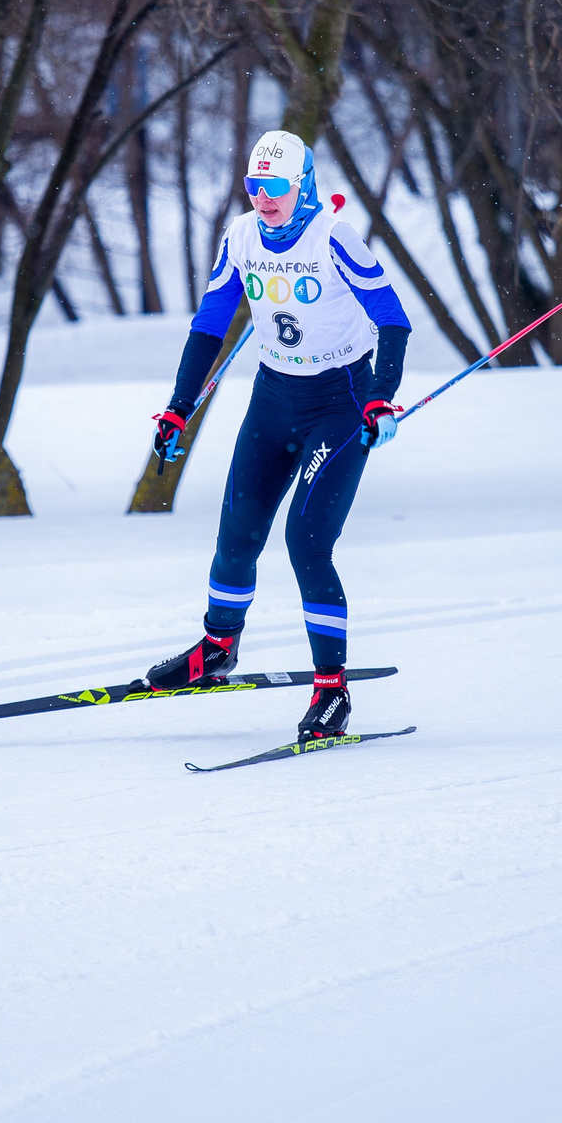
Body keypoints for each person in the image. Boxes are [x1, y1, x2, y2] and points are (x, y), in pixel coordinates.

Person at [145, 129, 412, 743]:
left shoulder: (334, 237)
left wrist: (379, 396)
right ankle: (216, 648)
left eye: (276, 187)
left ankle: (332, 692)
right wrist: (178, 408)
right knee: (237, 530)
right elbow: (210, 323)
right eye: (254, 186)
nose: (264, 198)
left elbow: (392, 321)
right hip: (273, 397)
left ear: (303, 185)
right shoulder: (241, 236)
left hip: (338, 402)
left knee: (307, 542)